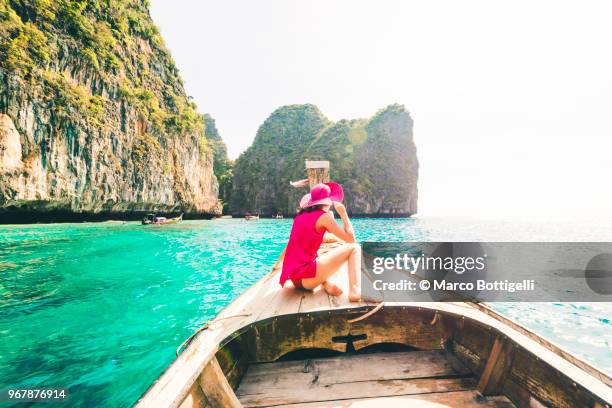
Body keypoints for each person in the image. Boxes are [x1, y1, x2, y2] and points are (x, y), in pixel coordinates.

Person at [278, 182, 361, 302]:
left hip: (295, 280)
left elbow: (292, 244)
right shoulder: (324, 217)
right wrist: (344, 214)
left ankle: (325, 283)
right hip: (308, 278)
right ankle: (355, 290)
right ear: (328, 201)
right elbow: (351, 240)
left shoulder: (300, 216)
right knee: (354, 248)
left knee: (318, 256)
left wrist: (277, 265)